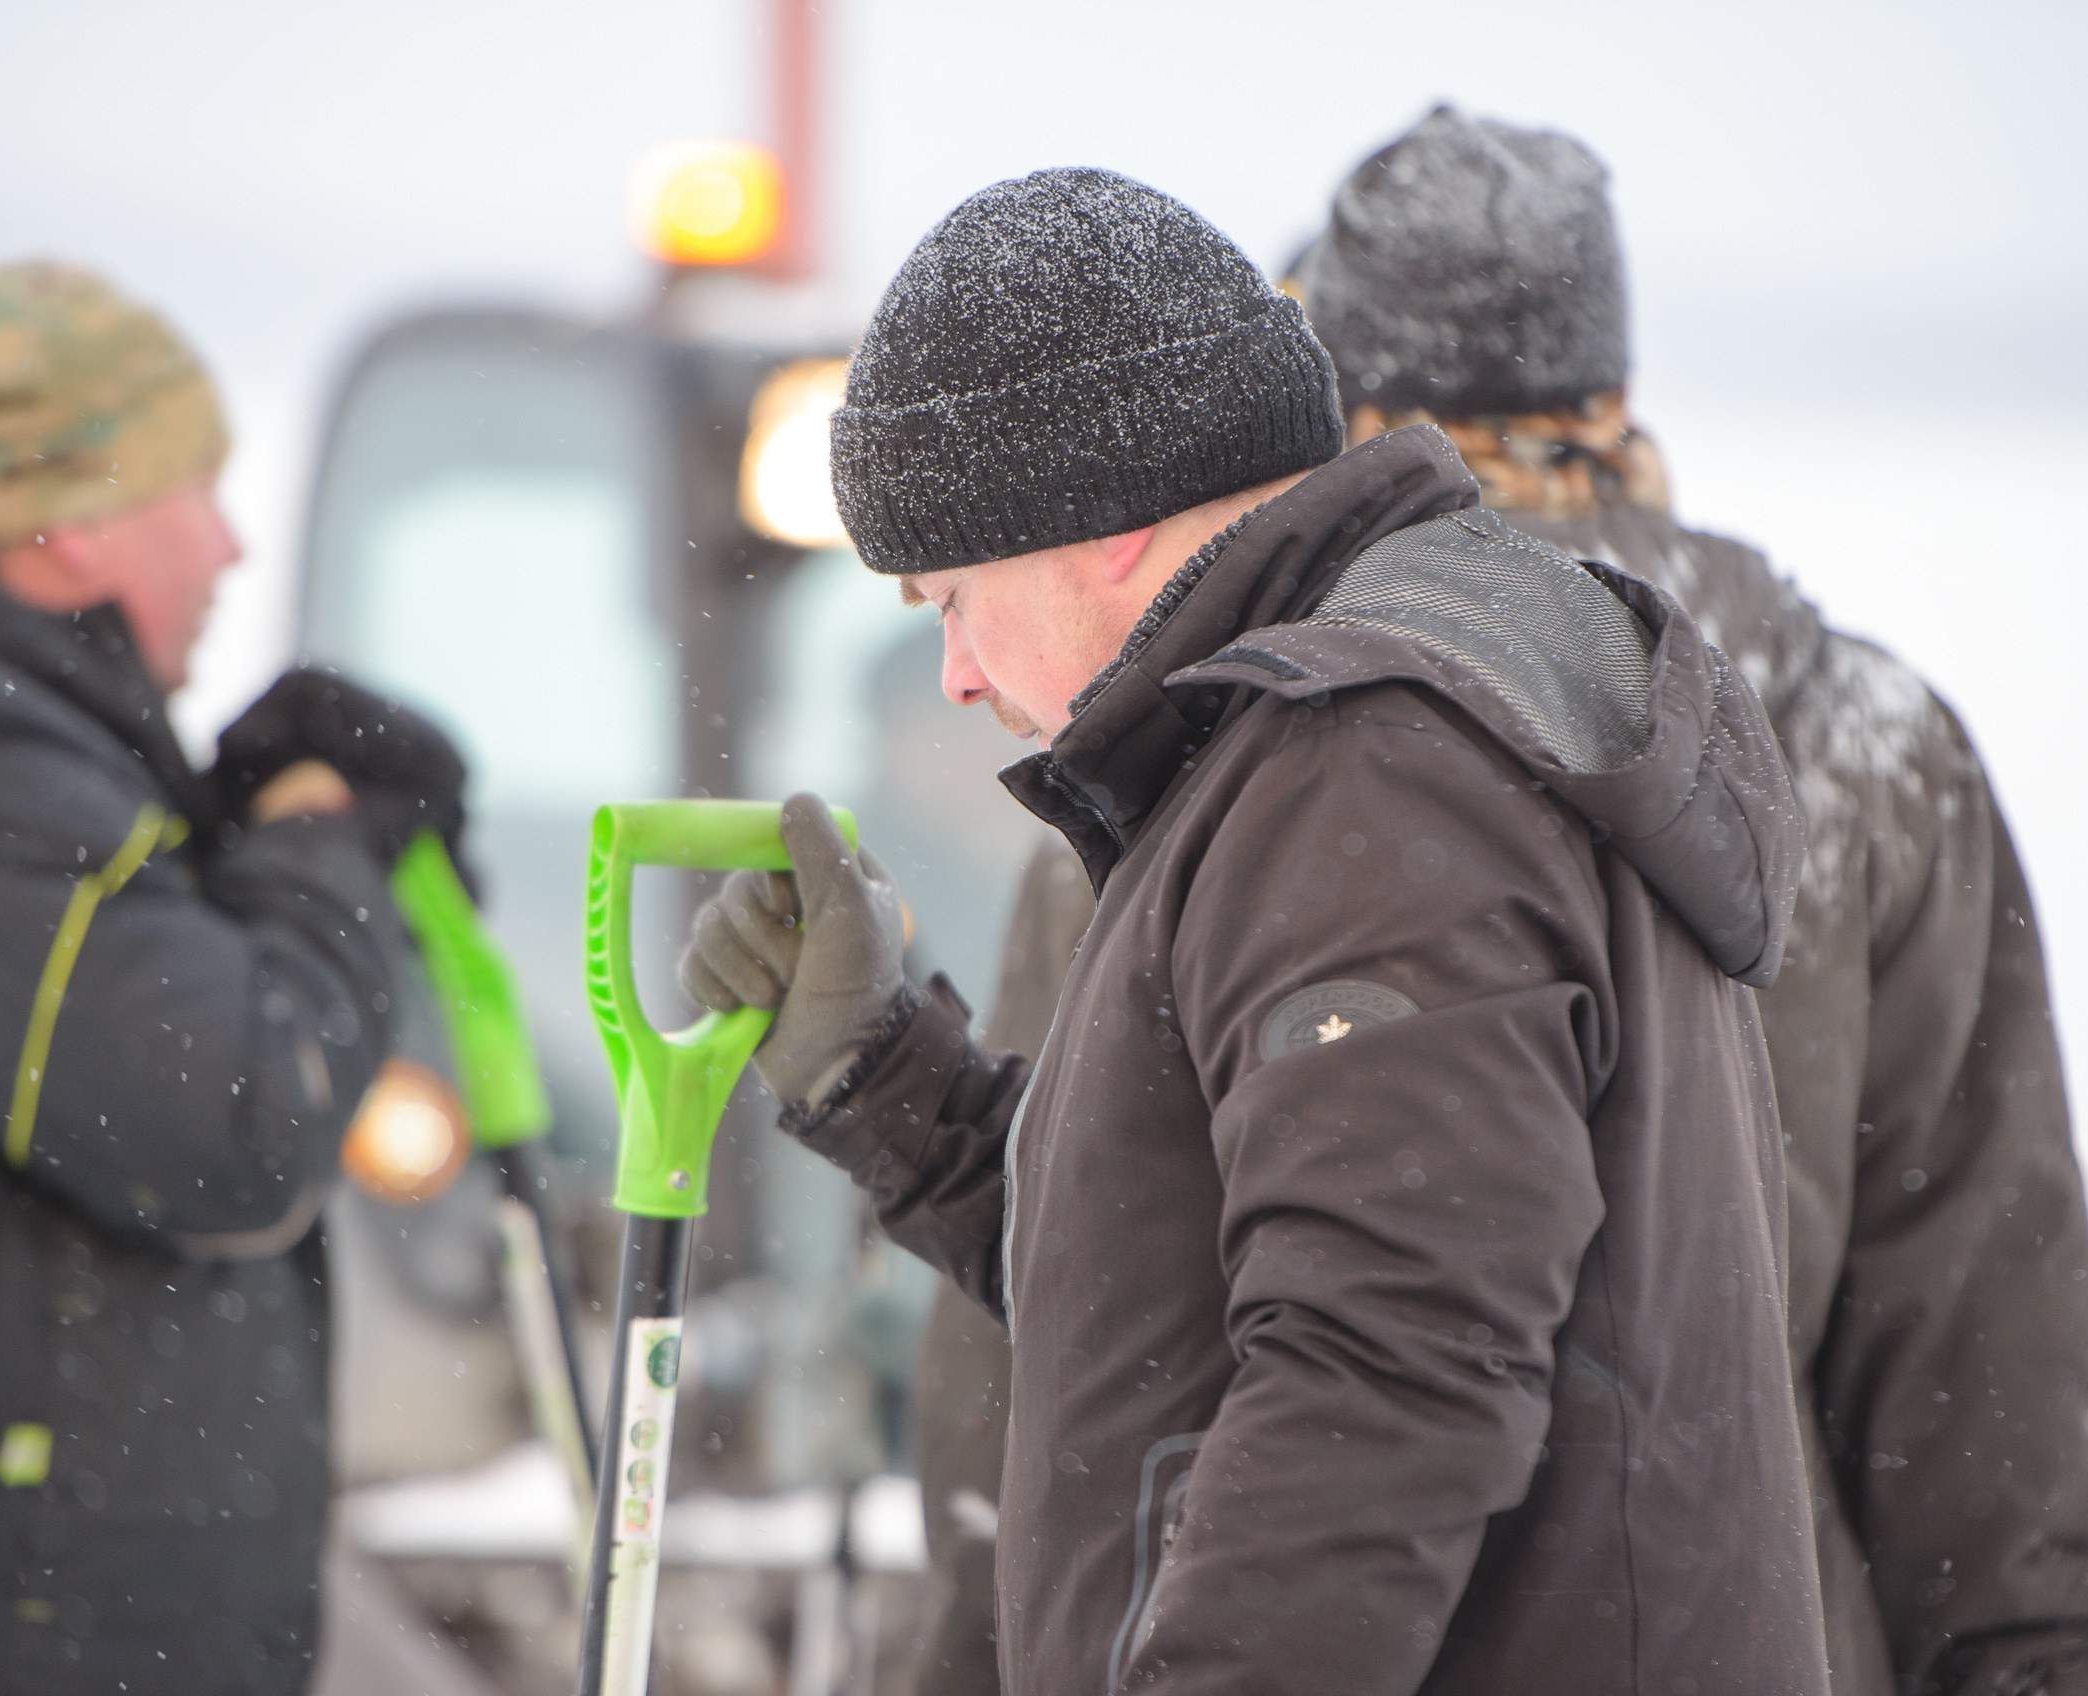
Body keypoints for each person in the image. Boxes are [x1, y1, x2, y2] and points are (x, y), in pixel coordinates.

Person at [682, 168, 1831, 1693]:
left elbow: (1384, 1380)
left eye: (948, 596)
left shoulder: (1370, 770)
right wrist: (889, 1081)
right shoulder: (1324, 758)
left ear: (1091, 524)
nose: (954, 674)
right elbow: (1199, 1294)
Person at [1291, 109, 2088, 1693]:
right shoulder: (1870, 750)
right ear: (1611, 395)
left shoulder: (1238, 752)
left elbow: (1060, 1376)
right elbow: (1983, 1381)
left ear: (1347, 413)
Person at [0, 261, 466, 1694]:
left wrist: (246, 848)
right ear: (66, 514)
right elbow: (230, 1117)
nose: (232, 547)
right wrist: (321, 851)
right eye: (199, 486)